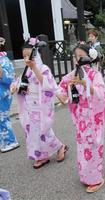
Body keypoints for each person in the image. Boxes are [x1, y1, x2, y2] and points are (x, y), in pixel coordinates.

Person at [56, 44, 105, 193]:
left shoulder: (95, 74)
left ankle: (96, 177)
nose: (77, 59)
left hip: (94, 116)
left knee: (94, 146)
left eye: (81, 56)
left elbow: (101, 94)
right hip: (81, 117)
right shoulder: (72, 74)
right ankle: (86, 175)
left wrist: (86, 85)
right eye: (75, 56)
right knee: (83, 146)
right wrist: (62, 95)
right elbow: (61, 89)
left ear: (89, 58)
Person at [11, 38, 67, 168]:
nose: (26, 58)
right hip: (29, 105)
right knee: (32, 133)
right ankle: (41, 156)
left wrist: (34, 67)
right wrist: (14, 86)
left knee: (44, 131)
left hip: (40, 105)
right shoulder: (26, 70)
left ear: (35, 54)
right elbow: (20, 83)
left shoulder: (43, 68)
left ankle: (60, 146)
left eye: (28, 55)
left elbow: (47, 84)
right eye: (24, 55)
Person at [0, 37, 19, 153]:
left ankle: (11, 141)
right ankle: (5, 141)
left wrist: (1, 74)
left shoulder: (4, 60)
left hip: (3, 94)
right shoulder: (4, 59)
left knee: (3, 118)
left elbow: (9, 78)